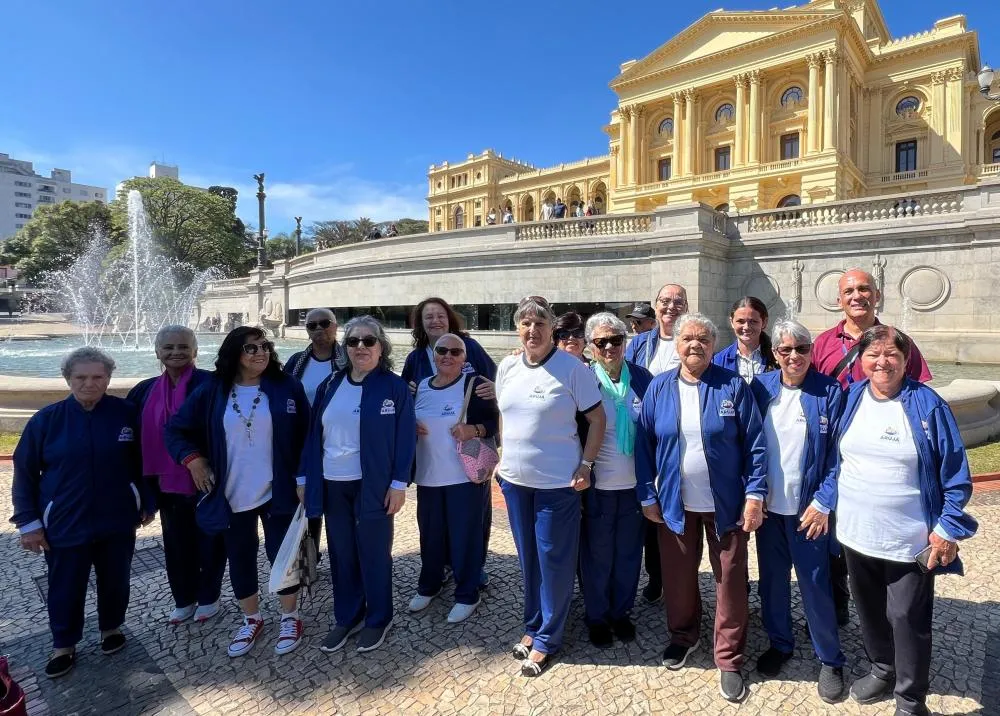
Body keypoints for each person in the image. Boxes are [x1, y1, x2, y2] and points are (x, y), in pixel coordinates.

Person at [832, 325, 976, 716]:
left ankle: (911, 699)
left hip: (910, 539)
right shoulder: (850, 398)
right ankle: (882, 668)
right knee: (870, 608)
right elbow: (836, 462)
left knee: (906, 617)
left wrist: (946, 529)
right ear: (860, 361)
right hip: (856, 533)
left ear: (905, 359)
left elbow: (956, 476)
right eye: (872, 355)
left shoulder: (927, 405)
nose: (882, 362)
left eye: (891, 355)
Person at [635, 313, 767, 702]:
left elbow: (755, 446)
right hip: (675, 504)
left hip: (726, 507)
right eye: (688, 338)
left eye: (703, 339)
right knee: (677, 577)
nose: (695, 344)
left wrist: (755, 495)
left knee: (729, 581)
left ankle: (728, 657)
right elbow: (644, 448)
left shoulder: (732, 386)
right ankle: (684, 634)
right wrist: (647, 494)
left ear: (713, 345)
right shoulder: (659, 388)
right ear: (676, 344)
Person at [165, 327, 310, 658]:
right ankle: (252, 619)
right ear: (234, 354)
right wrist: (193, 460)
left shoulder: (287, 386)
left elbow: (307, 435)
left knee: (284, 556)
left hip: (280, 491)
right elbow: (175, 429)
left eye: (264, 346)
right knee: (240, 558)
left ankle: (290, 616)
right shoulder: (212, 390)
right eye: (250, 348)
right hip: (230, 493)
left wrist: (304, 478)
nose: (260, 352)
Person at [12, 347, 154, 678]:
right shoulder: (47, 420)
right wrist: (28, 523)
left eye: (98, 377)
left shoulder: (126, 413)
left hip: (117, 518)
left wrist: (146, 501)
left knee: (116, 578)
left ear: (108, 379)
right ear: (68, 379)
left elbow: (142, 462)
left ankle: (111, 628)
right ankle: (64, 643)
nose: (89, 383)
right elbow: (25, 473)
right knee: (65, 584)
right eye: (81, 377)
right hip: (64, 521)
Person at [812, 269, 933, 624]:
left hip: (886, 456)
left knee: (882, 536)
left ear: (876, 296)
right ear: (839, 299)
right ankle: (837, 607)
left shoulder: (898, 342)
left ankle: (886, 620)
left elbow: (922, 397)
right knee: (834, 538)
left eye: (864, 289)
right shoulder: (822, 343)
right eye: (849, 290)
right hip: (837, 453)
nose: (857, 296)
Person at [494, 295, 606, 677]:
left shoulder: (571, 368)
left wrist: (586, 465)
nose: (532, 330)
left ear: (551, 328)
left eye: (539, 324)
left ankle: (548, 639)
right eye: (525, 323)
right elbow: (505, 417)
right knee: (529, 560)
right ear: (517, 329)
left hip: (557, 484)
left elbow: (597, 419)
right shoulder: (507, 366)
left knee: (554, 561)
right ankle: (533, 625)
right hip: (515, 483)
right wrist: (501, 454)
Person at [301, 316, 415, 653]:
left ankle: (379, 617)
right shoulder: (331, 385)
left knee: (374, 553)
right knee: (342, 553)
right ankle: (348, 616)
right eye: (353, 341)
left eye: (369, 341)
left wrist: (398, 484)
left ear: (381, 347)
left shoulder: (393, 387)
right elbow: (313, 435)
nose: (361, 347)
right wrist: (303, 477)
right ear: (345, 348)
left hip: (374, 484)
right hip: (333, 483)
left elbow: (406, 439)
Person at [748, 319, 847, 703]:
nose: (794, 356)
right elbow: (748, 445)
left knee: (816, 584)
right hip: (770, 511)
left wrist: (824, 501)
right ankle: (780, 643)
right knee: (772, 582)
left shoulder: (829, 391)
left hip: (810, 512)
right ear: (774, 354)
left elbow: (842, 456)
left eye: (801, 349)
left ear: (811, 352)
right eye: (785, 349)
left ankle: (830, 658)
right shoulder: (761, 388)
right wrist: (752, 496)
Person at [127, 326, 225, 626]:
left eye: (183, 346)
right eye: (168, 347)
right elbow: (133, 439)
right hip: (166, 483)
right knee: (176, 542)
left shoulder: (211, 383)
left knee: (210, 540)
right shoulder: (144, 390)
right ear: (158, 352)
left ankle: (209, 597)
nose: (176, 352)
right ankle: (184, 598)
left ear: (195, 351)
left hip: (207, 478)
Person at [401, 296, 497, 585]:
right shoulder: (416, 357)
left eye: (440, 315)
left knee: (472, 513)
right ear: (420, 323)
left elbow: (494, 378)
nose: (435, 321)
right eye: (428, 316)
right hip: (432, 454)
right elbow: (405, 396)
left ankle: (471, 566)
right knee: (434, 517)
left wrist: (495, 389)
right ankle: (441, 565)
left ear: (449, 318)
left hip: (467, 450)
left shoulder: (470, 346)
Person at [579, 313, 654, 647]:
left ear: (626, 342)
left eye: (615, 340)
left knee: (627, 555)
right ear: (591, 347)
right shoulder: (582, 380)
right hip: (597, 487)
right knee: (597, 555)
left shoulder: (643, 378)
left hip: (634, 486)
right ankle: (596, 616)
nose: (609, 347)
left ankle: (620, 613)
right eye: (601, 342)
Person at [624, 282, 688, 604]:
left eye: (678, 302)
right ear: (656, 306)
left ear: (686, 307)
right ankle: (655, 576)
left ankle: (675, 575)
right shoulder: (640, 343)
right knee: (648, 509)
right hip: (643, 435)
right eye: (665, 301)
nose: (670, 307)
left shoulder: (690, 338)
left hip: (680, 435)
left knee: (677, 508)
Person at [284, 308, 347, 557]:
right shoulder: (297, 362)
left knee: (333, 498)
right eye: (313, 325)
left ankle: (341, 553)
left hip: (335, 440)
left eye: (325, 323)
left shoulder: (348, 359)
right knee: (303, 497)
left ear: (335, 326)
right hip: (301, 440)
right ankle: (308, 555)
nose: (319, 329)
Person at [713, 296, 778, 383]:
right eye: (740, 321)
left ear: (764, 322)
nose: (746, 327)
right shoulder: (718, 361)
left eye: (753, 321)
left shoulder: (779, 357)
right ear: (732, 322)